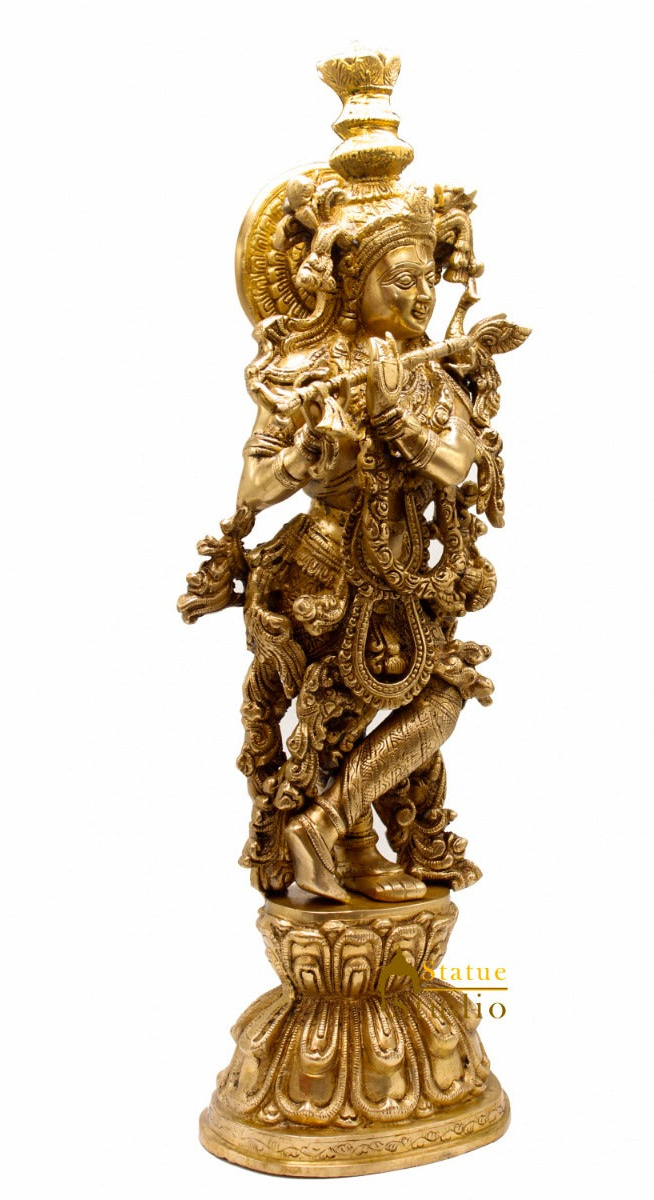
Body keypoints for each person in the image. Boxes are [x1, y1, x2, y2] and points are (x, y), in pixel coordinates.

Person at [180, 53, 524, 903]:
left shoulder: (427, 372)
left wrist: (398, 412)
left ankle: (331, 828)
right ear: (349, 279)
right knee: (335, 713)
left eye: (427, 279)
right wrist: (304, 459)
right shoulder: (305, 370)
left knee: (437, 699)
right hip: (324, 570)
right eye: (399, 279)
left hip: (407, 572)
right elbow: (253, 488)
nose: (420, 296)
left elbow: (458, 463)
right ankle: (338, 838)